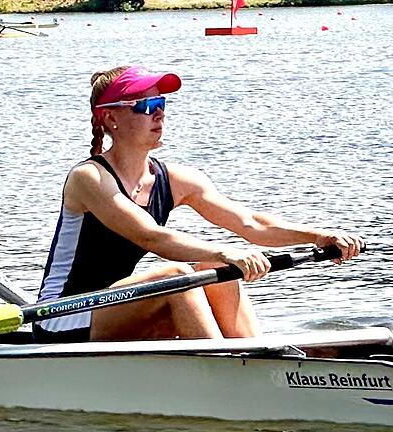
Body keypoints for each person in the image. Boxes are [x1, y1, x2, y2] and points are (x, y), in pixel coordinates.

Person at [34, 65, 364, 344]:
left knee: (213, 271)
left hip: (117, 305)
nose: (159, 112)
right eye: (144, 105)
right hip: (63, 315)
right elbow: (152, 237)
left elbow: (251, 224)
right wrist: (223, 251)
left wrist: (318, 236)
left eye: (160, 102)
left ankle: (253, 357)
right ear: (109, 119)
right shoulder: (88, 178)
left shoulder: (177, 179)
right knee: (179, 274)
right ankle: (230, 373)